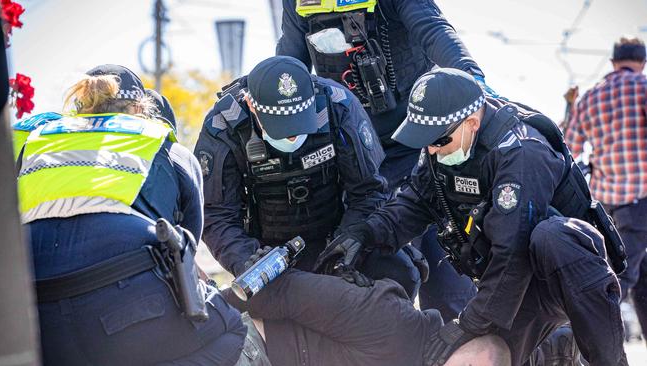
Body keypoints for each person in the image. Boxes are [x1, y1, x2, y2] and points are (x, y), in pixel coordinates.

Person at [316, 68, 628, 366]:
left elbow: (513, 251)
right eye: (425, 139)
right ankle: (555, 348)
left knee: (551, 236)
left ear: (471, 123)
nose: (432, 150)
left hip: (566, 275)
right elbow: (412, 205)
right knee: (483, 356)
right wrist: (364, 234)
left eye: (439, 140)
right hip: (511, 285)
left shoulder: (521, 151)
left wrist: (468, 323)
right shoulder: (446, 146)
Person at [16, 65, 247, 365]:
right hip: (124, 304)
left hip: (35, 312)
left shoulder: (37, 140)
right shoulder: (158, 141)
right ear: (140, 107)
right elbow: (187, 244)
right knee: (230, 328)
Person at [278, 0, 480, 319]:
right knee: (369, 264)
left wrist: (473, 83)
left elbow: (435, 32)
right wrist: (261, 88)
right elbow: (290, 60)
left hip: (416, 136)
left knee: (448, 280)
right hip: (353, 145)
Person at [194, 55, 424, 298]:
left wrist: (345, 246)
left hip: (336, 237)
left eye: (298, 123)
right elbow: (217, 216)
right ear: (252, 106)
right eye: (282, 126)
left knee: (403, 271)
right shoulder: (223, 127)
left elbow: (369, 191)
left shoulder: (338, 106)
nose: (292, 137)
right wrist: (246, 261)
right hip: (268, 255)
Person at [230, 269, 512, 366]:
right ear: (457, 341)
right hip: (254, 349)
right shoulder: (392, 322)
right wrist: (213, 309)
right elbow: (289, 291)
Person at [565, 35, 647, 339]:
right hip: (640, 199)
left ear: (613, 62)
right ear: (642, 62)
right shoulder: (643, 87)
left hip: (606, 206)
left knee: (638, 277)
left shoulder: (590, 97)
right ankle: (585, 347)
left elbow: (568, 148)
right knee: (621, 280)